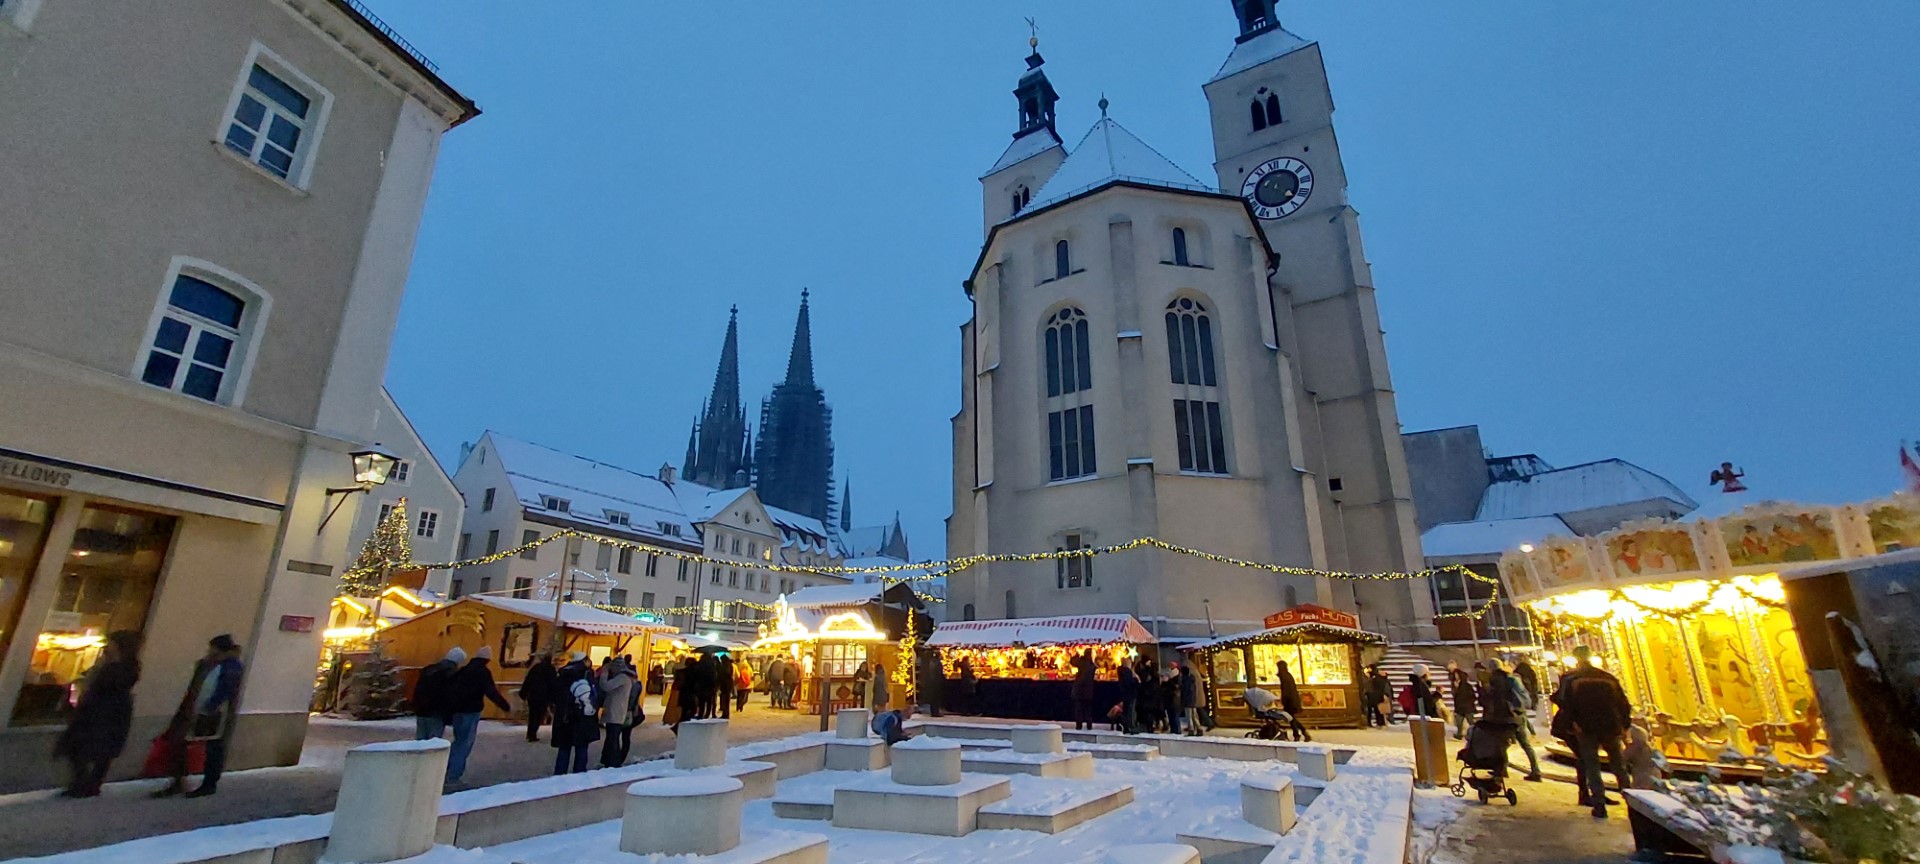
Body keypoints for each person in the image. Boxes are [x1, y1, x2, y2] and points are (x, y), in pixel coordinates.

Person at [156, 634, 244, 798]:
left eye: (213, 647)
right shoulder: (209, 664)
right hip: (196, 710)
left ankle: (208, 784)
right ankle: (179, 781)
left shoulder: (230, 666)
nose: (209, 650)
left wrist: (210, 706)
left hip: (215, 715)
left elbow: (226, 690)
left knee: (213, 748)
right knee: (181, 743)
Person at [55, 630, 141, 798]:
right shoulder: (108, 664)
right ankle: (85, 784)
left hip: (107, 713)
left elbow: (112, 685)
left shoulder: (125, 668)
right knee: (81, 748)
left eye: (111, 643)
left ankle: (87, 785)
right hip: (95, 711)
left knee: (94, 749)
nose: (107, 646)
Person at [1553, 646, 1632, 818]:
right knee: (1618, 765)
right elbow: (1623, 703)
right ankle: (1632, 802)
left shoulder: (1570, 679)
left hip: (1586, 727)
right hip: (1611, 726)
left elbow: (1565, 702)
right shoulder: (1608, 677)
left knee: (1592, 765)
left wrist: (1572, 724)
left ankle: (1599, 804)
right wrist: (1624, 725)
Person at [446, 646, 511, 785]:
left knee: (458, 741)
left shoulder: (463, 670)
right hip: (471, 711)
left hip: (458, 711)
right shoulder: (483, 672)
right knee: (465, 743)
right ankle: (453, 776)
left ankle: (447, 770)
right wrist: (505, 705)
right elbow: (491, 691)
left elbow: (451, 688)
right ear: (487, 659)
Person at [1481, 661, 1542, 781]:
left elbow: (1496, 700)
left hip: (1507, 717)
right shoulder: (1512, 678)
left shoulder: (1496, 680)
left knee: (1501, 745)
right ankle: (1536, 771)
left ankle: (1501, 770)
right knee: (1525, 744)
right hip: (1519, 714)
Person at [551, 652, 599, 775]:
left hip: (564, 716)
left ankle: (559, 773)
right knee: (581, 747)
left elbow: (555, 694)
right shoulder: (587, 674)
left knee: (564, 747)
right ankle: (579, 773)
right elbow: (595, 694)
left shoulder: (562, 673)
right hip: (582, 717)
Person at [413, 647, 463, 741]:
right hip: (437, 713)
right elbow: (449, 695)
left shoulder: (429, 670)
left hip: (422, 710)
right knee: (433, 742)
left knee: (420, 740)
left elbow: (418, 689)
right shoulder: (450, 673)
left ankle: (418, 755)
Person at [599, 657, 638, 768]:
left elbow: (606, 686)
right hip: (617, 710)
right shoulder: (626, 677)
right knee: (612, 736)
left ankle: (613, 761)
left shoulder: (622, 678)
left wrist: (604, 673)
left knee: (613, 737)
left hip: (616, 711)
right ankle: (608, 759)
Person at [519, 653, 557, 743]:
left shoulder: (535, 668)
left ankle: (530, 733)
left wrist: (523, 693)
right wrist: (553, 698)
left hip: (532, 695)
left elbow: (528, 680)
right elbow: (553, 684)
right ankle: (533, 733)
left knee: (532, 714)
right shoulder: (550, 669)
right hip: (543, 696)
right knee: (539, 715)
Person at [1274, 660, 1310, 742]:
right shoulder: (1288, 675)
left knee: (1290, 718)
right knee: (1291, 718)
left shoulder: (1284, 677)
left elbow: (1286, 690)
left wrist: (1284, 700)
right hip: (1292, 700)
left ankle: (1298, 733)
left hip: (1289, 701)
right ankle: (1301, 732)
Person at [1448, 662, 1478, 739]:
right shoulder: (1455, 686)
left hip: (1466, 707)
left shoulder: (1466, 686)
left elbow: (1472, 696)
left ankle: (1474, 734)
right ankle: (1459, 734)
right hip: (1460, 707)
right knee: (1459, 722)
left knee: (1470, 722)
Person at [1069, 650, 1096, 730]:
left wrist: (1076, 655)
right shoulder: (1091, 664)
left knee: (1079, 709)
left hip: (1079, 690)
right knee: (1088, 709)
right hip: (1088, 691)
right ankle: (1089, 724)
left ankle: (1079, 725)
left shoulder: (1082, 662)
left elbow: (1072, 662)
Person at [1177, 661, 1202, 736]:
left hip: (1187, 700)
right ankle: (1199, 729)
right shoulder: (1192, 679)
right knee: (1194, 715)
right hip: (1193, 700)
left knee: (1189, 716)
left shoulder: (1185, 680)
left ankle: (1191, 729)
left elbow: (1185, 691)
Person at [1116, 663, 1140, 734]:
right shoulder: (1127, 673)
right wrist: (1136, 679)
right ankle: (1131, 727)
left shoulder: (1121, 675)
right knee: (1131, 712)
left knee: (1126, 711)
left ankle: (1126, 726)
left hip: (1125, 696)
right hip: (1131, 695)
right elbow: (1132, 683)